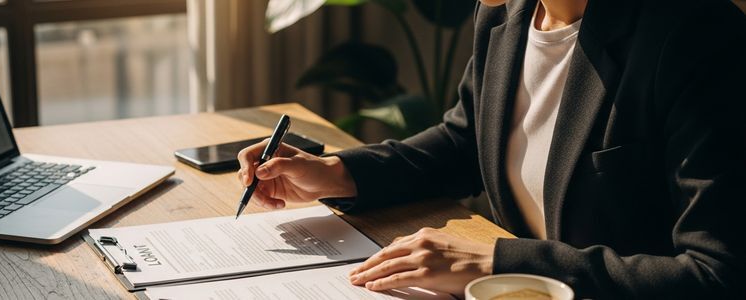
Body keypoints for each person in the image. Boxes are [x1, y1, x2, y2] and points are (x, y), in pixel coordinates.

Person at [237, 0, 746, 298]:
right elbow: (466, 140)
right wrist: (338, 173)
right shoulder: (510, 14)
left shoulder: (697, 39)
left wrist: (503, 262)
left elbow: (718, 274)